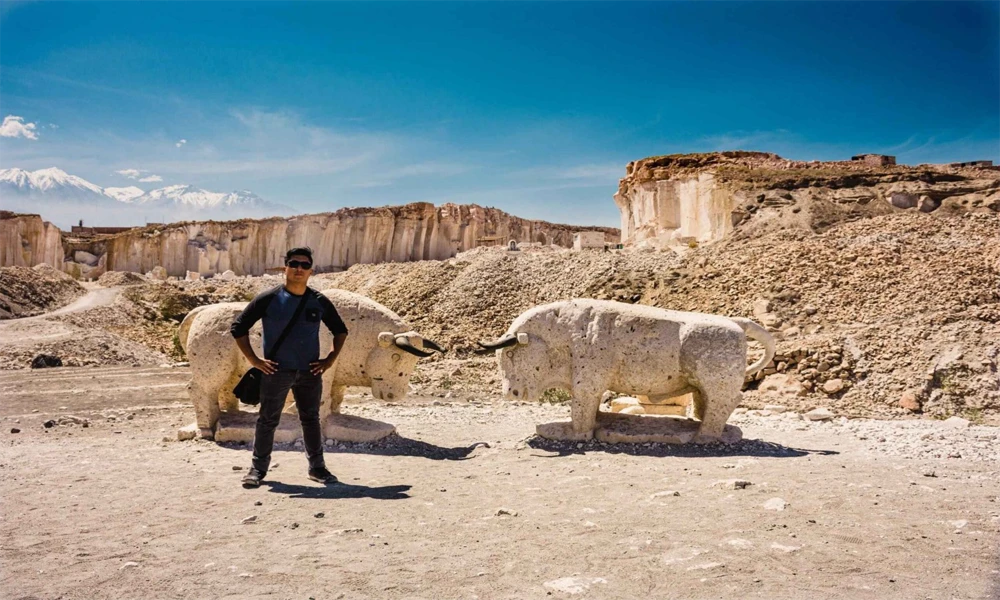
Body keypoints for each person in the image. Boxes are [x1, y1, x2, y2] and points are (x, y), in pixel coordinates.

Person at [230, 247, 348, 488]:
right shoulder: (268, 298)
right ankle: (257, 469)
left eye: (305, 265)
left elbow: (340, 330)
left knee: (310, 419)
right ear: (285, 268)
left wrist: (329, 360)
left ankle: (317, 468)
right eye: (294, 264)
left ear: (311, 271)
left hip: (310, 372)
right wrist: (254, 361)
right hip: (276, 371)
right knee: (267, 420)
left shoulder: (319, 301)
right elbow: (238, 328)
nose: (299, 269)